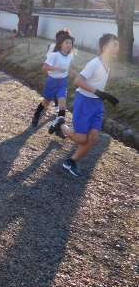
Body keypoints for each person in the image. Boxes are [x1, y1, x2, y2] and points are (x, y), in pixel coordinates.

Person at [50, 34, 120, 178]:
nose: (117, 48)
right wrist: (98, 92)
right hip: (84, 103)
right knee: (81, 139)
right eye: (114, 45)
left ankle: (70, 162)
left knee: (93, 138)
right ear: (105, 47)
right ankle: (60, 124)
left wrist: (105, 95)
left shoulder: (107, 65)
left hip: (97, 104)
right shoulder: (95, 63)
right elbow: (78, 81)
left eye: (118, 45)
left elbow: (96, 83)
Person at [31, 32, 75, 130]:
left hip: (62, 82)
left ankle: (59, 125)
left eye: (70, 43)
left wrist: (72, 73)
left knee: (62, 104)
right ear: (61, 44)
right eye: (66, 42)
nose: (69, 45)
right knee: (46, 102)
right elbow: (44, 68)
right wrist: (57, 69)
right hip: (52, 82)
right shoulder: (54, 55)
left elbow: (69, 67)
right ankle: (36, 115)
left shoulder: (71, 56)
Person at [47, 28, 74, 115]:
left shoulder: (69, 50)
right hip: (53, 74)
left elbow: (70, 60)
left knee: (61, 92)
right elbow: (48, 59)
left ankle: (59, 108)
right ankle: (53, 105)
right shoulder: (53, 47)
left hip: (63, 76)